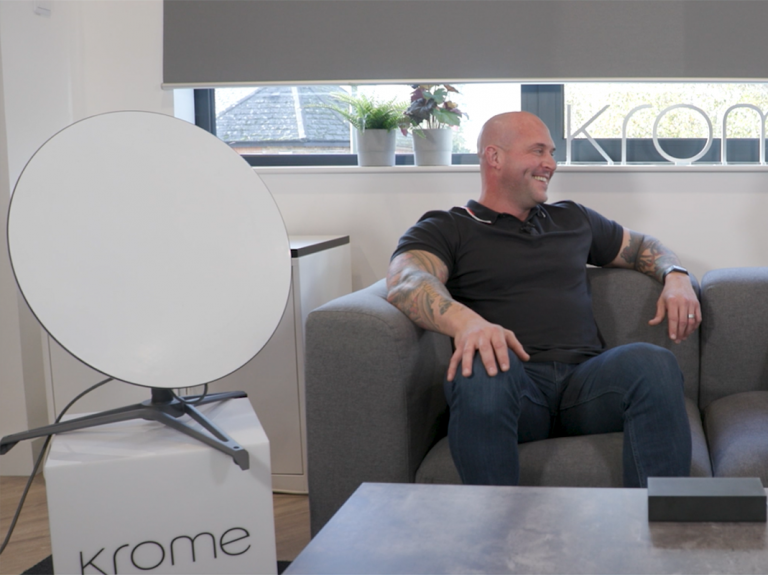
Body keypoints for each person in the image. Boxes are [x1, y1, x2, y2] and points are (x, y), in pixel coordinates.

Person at [386, 111, 700, 488]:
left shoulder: (572, 218)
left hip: (587, 387)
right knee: (481, 366)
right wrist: (466, 323)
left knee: (655, 363)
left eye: (551, 152)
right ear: (494, 157)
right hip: (514, 388)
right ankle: (498, 537)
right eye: (537, 151)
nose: (550, 163)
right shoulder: (448, 227)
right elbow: (407, 280)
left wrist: (676, 275)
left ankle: (659, 534)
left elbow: (643, 246)